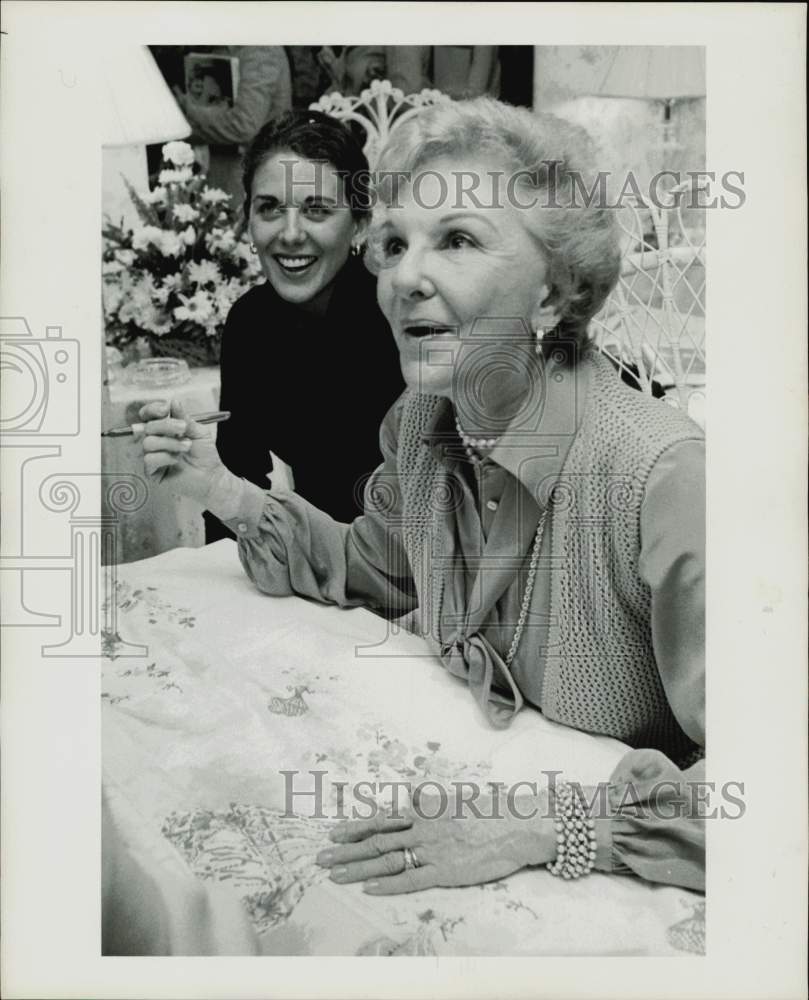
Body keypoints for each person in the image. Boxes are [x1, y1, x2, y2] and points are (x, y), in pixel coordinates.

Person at [138, 98, 705, 896]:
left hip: (629, 879)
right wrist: (218, 487)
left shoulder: (663, 476)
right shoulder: (420, 425)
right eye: (394, 244)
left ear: (554, 296)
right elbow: (370, 567)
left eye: (457, 241)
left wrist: (543, 829)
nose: (403, 277)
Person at [204, 110, 404, 542]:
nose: (290, 234)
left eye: (317, 210)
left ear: (360, 223)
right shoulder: (249, 321)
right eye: (270, 208)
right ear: (248, 219)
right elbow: (237, 477)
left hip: (403, 574)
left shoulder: (400, 320)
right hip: (308, 564)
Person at [173, 46, 292, 205]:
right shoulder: (227, 47)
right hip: (223, 174)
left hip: (249, 179)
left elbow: (243, 125)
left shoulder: (261, 50)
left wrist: (188, 111)